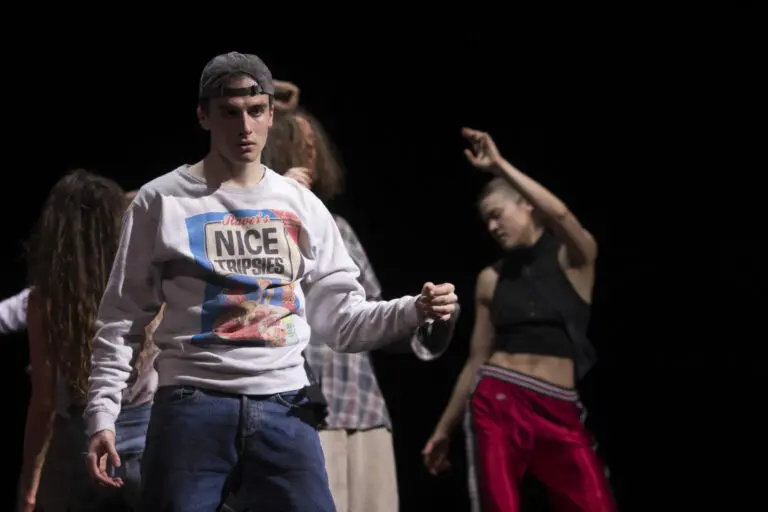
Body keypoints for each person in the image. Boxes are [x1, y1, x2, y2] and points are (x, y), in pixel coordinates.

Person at [83, 51, 458, 512]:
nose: (245, 127)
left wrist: (413, 309)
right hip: (192, 407)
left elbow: (341, 321)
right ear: (203, 116)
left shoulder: (300, 204)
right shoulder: (161, 201)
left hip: (285, 407)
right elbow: (121, 319)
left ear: (270, 115)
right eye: (229, 112)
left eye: (256, 110)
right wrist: (103, 413)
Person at [264, 107, 460, 512]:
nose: (311, 153)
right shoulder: (249, 226)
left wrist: (424, 313)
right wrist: (274, 201)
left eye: (315, 144)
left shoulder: (337, 227)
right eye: (299, 144)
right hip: (298, 408)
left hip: (362, 405)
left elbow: (367, 317)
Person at [422, 128, 615, 512]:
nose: (493, 228)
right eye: (486, 222)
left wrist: (499, 166)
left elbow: (560, 214)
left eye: (497, 215)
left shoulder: (575, 258)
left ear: (527, 204)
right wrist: (444, 429)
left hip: (561, 409)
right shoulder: (490, 279)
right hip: (499, 400)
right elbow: (476, 359)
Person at [17, 171, 158, 512]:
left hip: (77, 450)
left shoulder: (48, 300)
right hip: (146, 443)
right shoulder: (148, 285)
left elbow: (45, 402)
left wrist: (28, 484)